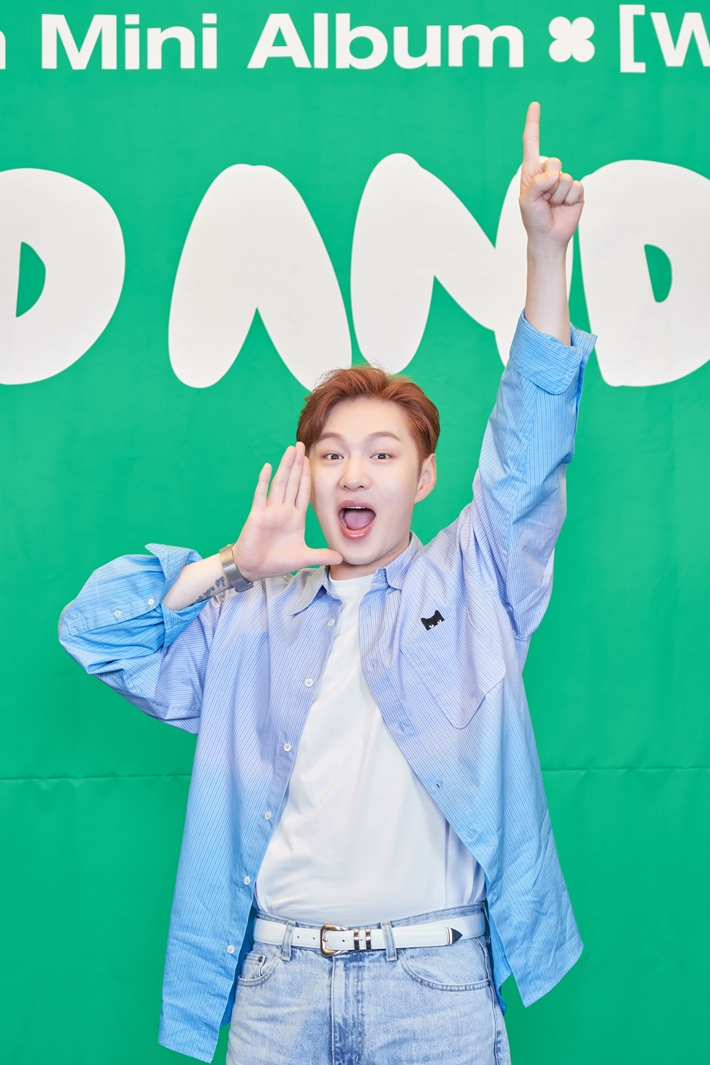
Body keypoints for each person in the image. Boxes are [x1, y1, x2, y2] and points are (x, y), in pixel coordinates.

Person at [59, 103, 594, 1065]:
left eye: (383, 453)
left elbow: (531, 446)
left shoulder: (478, 580)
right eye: (333, 453)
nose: (355, 473)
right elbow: (95, 631)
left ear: (423, 478)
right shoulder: (244, 616)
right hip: (280, 992)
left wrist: (547, 252)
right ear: (306, 473)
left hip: (437, 989)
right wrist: (226, 565)